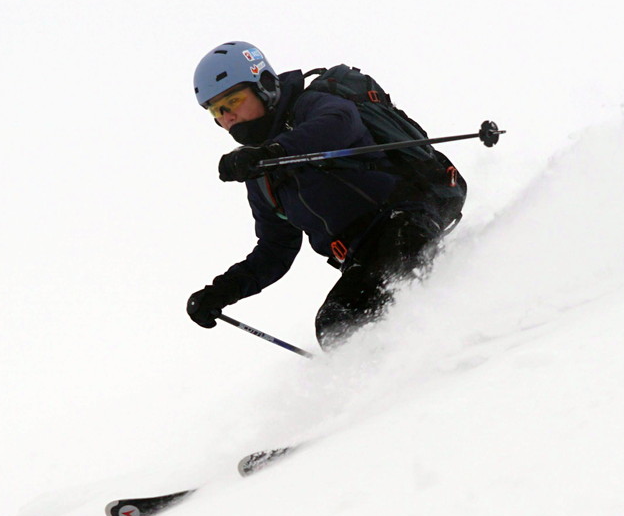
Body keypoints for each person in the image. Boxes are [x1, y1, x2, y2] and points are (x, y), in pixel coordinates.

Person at [186, 42, 455, 350]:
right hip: (362, 255)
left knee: (351, 313)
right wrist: (221, 292)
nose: (227, 116)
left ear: (265, 86)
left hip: (407, 216)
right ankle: (391, 379)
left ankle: (443, 357)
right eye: (216, 110)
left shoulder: (309, 106)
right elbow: (275, 250)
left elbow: (340, 121)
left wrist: (274, 151)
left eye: (233, 100)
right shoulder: (262, 175)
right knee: (335, 326)